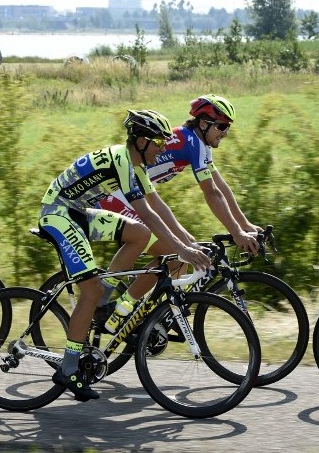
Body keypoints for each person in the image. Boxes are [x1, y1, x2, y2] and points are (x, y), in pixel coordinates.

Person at [39, 109, 211, 401]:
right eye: (159, 142)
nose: (163, 148)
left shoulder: (136, 165)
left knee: (139, 234)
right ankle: (69, 367)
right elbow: (146, 211)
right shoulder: (121, 159)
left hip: (77, 212)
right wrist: (182, 249)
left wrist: (186, 243)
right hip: (57, 214)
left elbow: (159, 208)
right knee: (90, 291)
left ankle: (107, 304)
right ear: (142, 141)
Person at [99, 94, 261, 255]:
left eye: (228, 127)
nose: (225, 133)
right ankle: (106, 281)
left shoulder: (200, 143)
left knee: (185, 247)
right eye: (222, 126)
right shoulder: (193, 143)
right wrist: (237, 232)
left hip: (133, 195)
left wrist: (243, 224)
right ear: (204, 124)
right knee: (178, 251)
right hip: (115, 195)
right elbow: (211, 193)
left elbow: (220, 186)